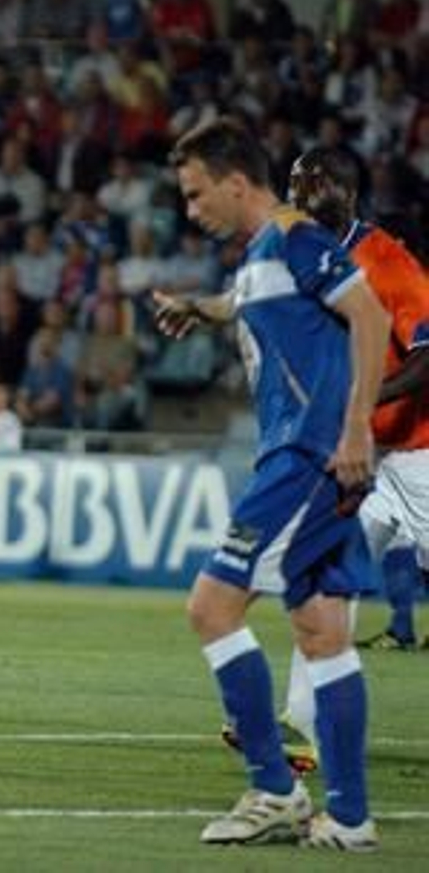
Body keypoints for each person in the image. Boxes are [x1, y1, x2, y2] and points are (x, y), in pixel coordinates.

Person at [153, 119, 388, 851]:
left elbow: (371, 318)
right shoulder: (261, 256)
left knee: (211, 606)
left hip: (308, 456)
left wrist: (356, 428)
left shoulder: (297, 238)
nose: (191, 210)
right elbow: (247, 300)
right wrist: (203, 305)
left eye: (196, 195)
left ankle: (275, 788)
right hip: (306, 457)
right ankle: (348, 818)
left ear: (236, 180)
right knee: (321, 631)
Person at [287, 149, 429, 656]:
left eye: (308, 183)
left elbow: (426, 354)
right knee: (325, 574)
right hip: (361, 451)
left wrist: (368, 396)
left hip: (417, 452)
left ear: (344, 193)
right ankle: (306, 713)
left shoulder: (390, 262)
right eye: (293, 181)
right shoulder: (304, 258)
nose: (296, 193)